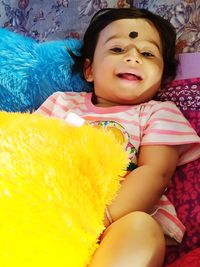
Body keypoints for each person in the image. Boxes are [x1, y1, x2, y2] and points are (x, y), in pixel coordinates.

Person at [35, 7, 200, 267]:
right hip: (48, 213)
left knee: (141, 228)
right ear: (89, 70)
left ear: (162, 76)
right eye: (117, 49)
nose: (133, 57)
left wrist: (99, 219)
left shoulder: (157, 113)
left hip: (116, 225)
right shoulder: (61, 103)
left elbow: (155, 171)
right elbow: (26, 147)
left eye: (147, 53)